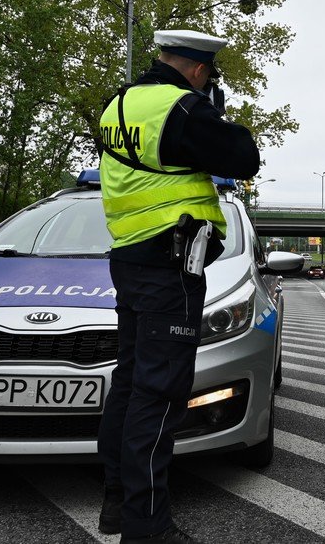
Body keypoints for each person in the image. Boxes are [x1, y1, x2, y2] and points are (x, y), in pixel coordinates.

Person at [96, 29, 260, 544]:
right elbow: (244, 157)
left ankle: (117, 505)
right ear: (198, 69)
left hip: (129, 256)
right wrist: (213, 110)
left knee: (129, 385)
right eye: (208, 77)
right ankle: (147, 528)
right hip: (170, 263)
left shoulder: (118, 105)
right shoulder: (183, 108)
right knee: (160, 393)